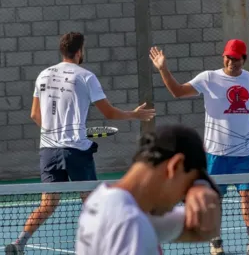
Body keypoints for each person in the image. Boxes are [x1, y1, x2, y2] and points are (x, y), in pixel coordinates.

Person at [5, 32, 156, 255]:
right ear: (79, 52)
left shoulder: (43, 75)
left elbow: (35, 115)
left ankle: (18, 243)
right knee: (92, 201)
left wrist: (55, 132)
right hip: (75, 151)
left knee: (48, 203)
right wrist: (134, 115)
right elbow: (109, 113)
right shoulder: (86, 77)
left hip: (48, 151)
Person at [149, 39, 249, 255]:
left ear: (244, 60)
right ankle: (216, 242)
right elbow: (178, 92)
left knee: (248, 195)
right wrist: (163, 69)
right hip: (215, 155)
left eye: (236, 59)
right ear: (223, 57)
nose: (231, 62)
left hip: (244, 154)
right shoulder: (208, 78)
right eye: (228, 57)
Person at [75, 124, 222, 255]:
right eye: (187, 188)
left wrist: (201, 185)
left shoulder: (103, 200)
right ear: (175, 166)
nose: (182, 199)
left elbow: (204, 229)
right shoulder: (129, 222)